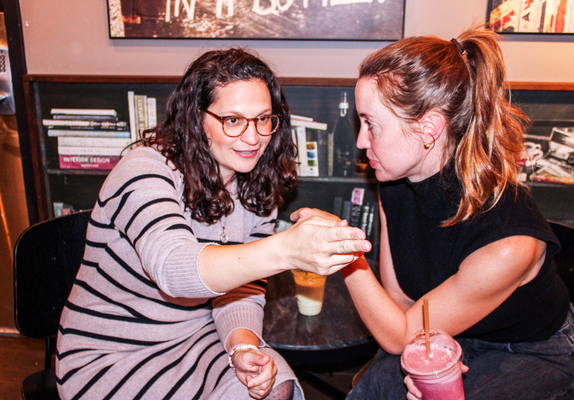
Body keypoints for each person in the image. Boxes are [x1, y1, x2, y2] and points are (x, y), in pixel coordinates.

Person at [55, 48, 371, 400]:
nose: (253, 138)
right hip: (112, 354)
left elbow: (239, 289)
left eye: (263, 118)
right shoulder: (144, 169)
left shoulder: (255, 185)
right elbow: (174, 270)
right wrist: (286, 249)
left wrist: (242, 347)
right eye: (232, 120)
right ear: (195, 119)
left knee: (277, 387)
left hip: (197, 334)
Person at [292, 27, 574, 399]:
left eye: (371, 125)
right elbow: (401, 302)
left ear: (428, 129)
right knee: (371, 391)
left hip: (532, 351)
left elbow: (398, 335)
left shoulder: (509, 243)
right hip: (444, 333)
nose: (361, 142)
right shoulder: (393, 184)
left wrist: (343, 250)